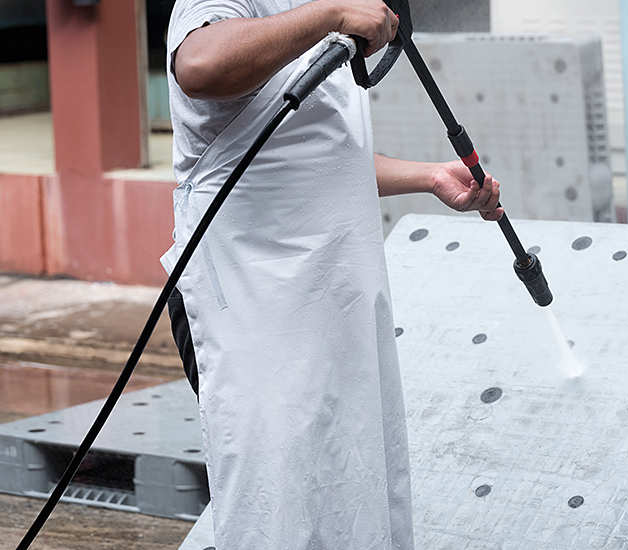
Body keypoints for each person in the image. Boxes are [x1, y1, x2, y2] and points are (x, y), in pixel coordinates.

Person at [161, 0, 502, 548]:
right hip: (252, 300)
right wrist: (334, 14)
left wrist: (430, 175)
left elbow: (314, 154)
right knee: (280, 505)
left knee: (354, 488)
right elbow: (199, 66)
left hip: (335, 296)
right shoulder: (298, 12)